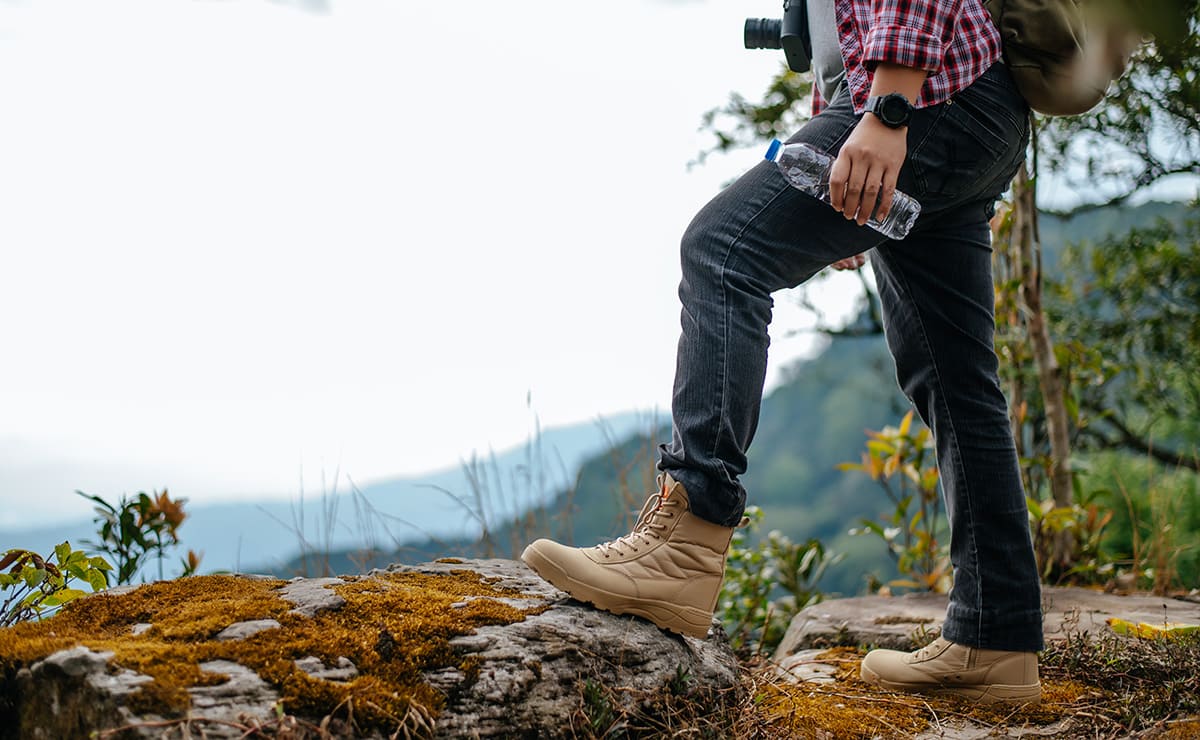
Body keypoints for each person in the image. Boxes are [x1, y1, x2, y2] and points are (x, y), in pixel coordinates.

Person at [523, 0, 1044, 705]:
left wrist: (886, 113)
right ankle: (997, 637)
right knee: (954, 378)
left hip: (930, 98)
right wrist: (848, 118)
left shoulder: (904, 100)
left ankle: (686, 543)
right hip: (974, 105)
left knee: (724, 251)